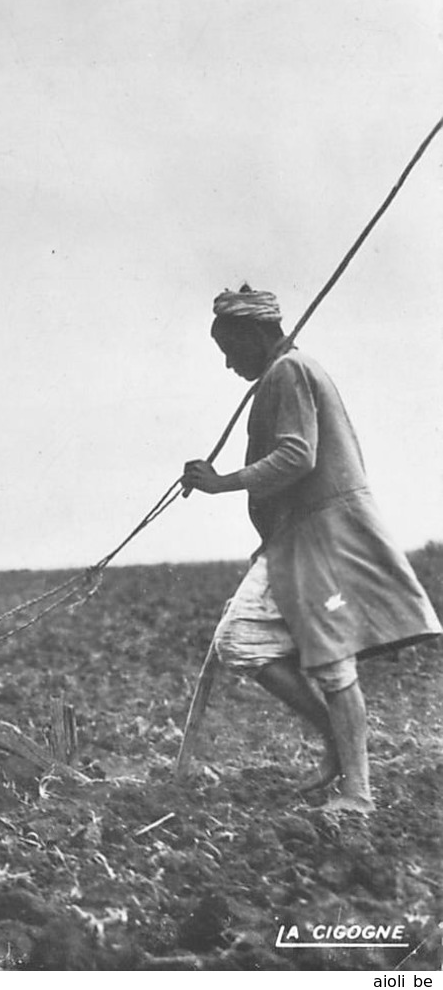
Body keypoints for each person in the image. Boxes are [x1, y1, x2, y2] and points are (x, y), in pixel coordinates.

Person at [180, 284, 440, 813]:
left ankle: (357, 793)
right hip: (297, 536)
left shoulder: (290, 371)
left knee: (324, 654)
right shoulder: (285, 373)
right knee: (248, 640)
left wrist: (221, 482)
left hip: (323, 536)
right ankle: (336, 745)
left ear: (256, 333)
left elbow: (297, 457)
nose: (229, 366)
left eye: (231, 351)